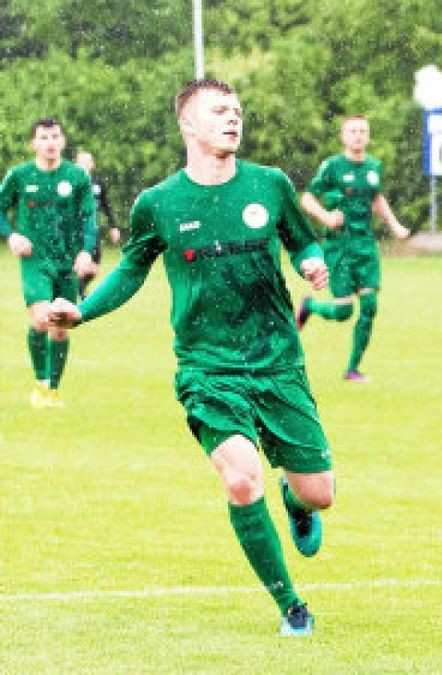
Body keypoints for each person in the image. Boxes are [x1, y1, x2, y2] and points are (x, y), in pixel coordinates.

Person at [45, 79, 334, 637]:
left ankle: (295, 500)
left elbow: (303, 242)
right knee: (241, 480)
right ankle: (291, 606)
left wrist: (313, 264)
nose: (233, 118)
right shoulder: (158, 203)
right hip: (207, 368)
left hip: (277, 362)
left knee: (318, 493)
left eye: (237, 110)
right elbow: (131, 270)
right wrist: (82, 312)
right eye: (219, 110)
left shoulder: (270, 185)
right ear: (188, 125)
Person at [295, 116, 410, 382]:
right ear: (343, 136)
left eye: (363, 131)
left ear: (368, 136)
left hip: (365, 245)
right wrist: (326, 217)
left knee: (369, 305)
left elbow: (376, 199)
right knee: (344, 311)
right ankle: (310, 306)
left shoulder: (373, 167)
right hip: (339, 247)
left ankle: (352, 369)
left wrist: (395, 226)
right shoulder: (332, 166)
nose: (358, 135)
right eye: (353, 131)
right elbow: (307, 199)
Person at [0, 118, 97, 408]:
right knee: (42, 318)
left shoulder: (77, 177)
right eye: (43, 137)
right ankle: (40, 383)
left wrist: (85, 251)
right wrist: (12, 235)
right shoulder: (20, 176)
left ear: (63, 141)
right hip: (35, 260)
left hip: (66, 262)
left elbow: (89, 218)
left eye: (55, 136)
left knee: (60, 327)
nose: (50, 143)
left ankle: (53, 389)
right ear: (34, 143)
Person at [74, 150, 122, 296]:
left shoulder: (97, 184)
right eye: (81, 162)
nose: (84, 165)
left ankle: (78, 287)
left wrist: (114, 226)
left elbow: (106, 205)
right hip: (75, 230)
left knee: (94, 267)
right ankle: (79, 291)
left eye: (87, 161)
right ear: (76, 164)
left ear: (92, 164)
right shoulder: (71, 183)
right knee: (79, 262)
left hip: (92, 229)